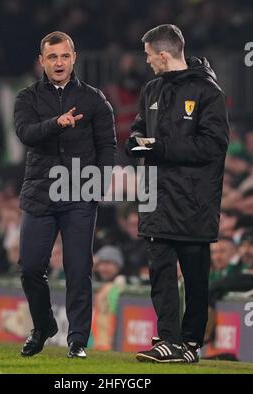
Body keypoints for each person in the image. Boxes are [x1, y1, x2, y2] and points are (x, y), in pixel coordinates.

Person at [125, 24, 229, 363]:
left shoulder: (207, 93)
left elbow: (213, 146)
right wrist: (135, 141)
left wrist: (160, 147)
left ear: (164, 54)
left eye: (149, 55)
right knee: (160, 275)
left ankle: (191, 344)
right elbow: (141, 127)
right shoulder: (151, 90)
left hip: (194, 202)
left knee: (196, 277)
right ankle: (168, 340)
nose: (147, 62)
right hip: (156, 198)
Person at [14, 31, 116, 358]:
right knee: (30, 268)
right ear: (41, 61)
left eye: (64, 56)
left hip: (79, 194)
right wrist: (56, 124)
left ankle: (77, 340)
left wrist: (99, 184)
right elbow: (25, 134)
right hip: (39, 193)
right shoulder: (26, 98)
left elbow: (108, 147)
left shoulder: (94, 99)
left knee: (77, 269)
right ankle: (43, 325)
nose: (59, 63)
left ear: (74, 58)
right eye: (52, 57)